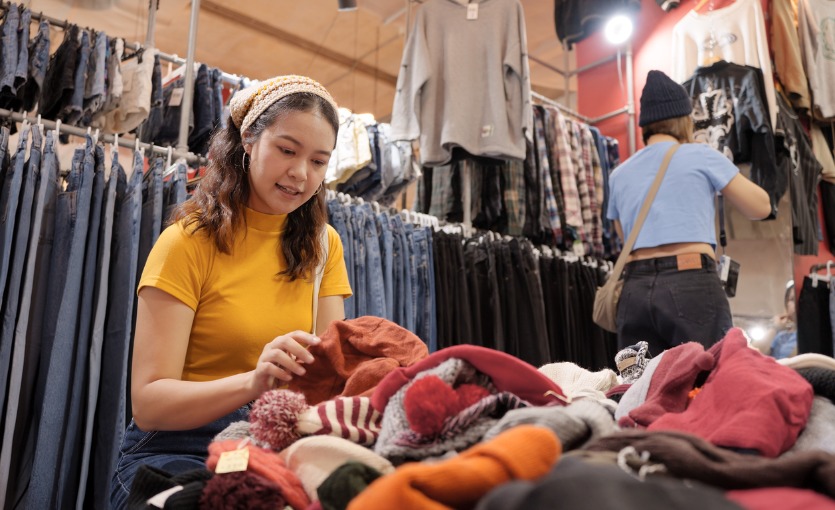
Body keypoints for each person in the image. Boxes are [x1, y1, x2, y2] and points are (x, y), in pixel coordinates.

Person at [110, 75, 352, 508]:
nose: (301, 173)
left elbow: (325, 379)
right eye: (287, 150)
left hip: (273, 445)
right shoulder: (187, 242)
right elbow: (148, 405)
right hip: (178, 448)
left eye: (319, 161)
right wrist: (254, 381)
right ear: (248, 141)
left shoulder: (323, 246)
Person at [607, 70, 771, 356]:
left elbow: (624, 236)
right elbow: (761, 207)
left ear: (645, 125)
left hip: (634, 290)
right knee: (707, 376)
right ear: (685, 119)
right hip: (690, 281)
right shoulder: (701, 155)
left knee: (640, 381)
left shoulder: (619, 174)